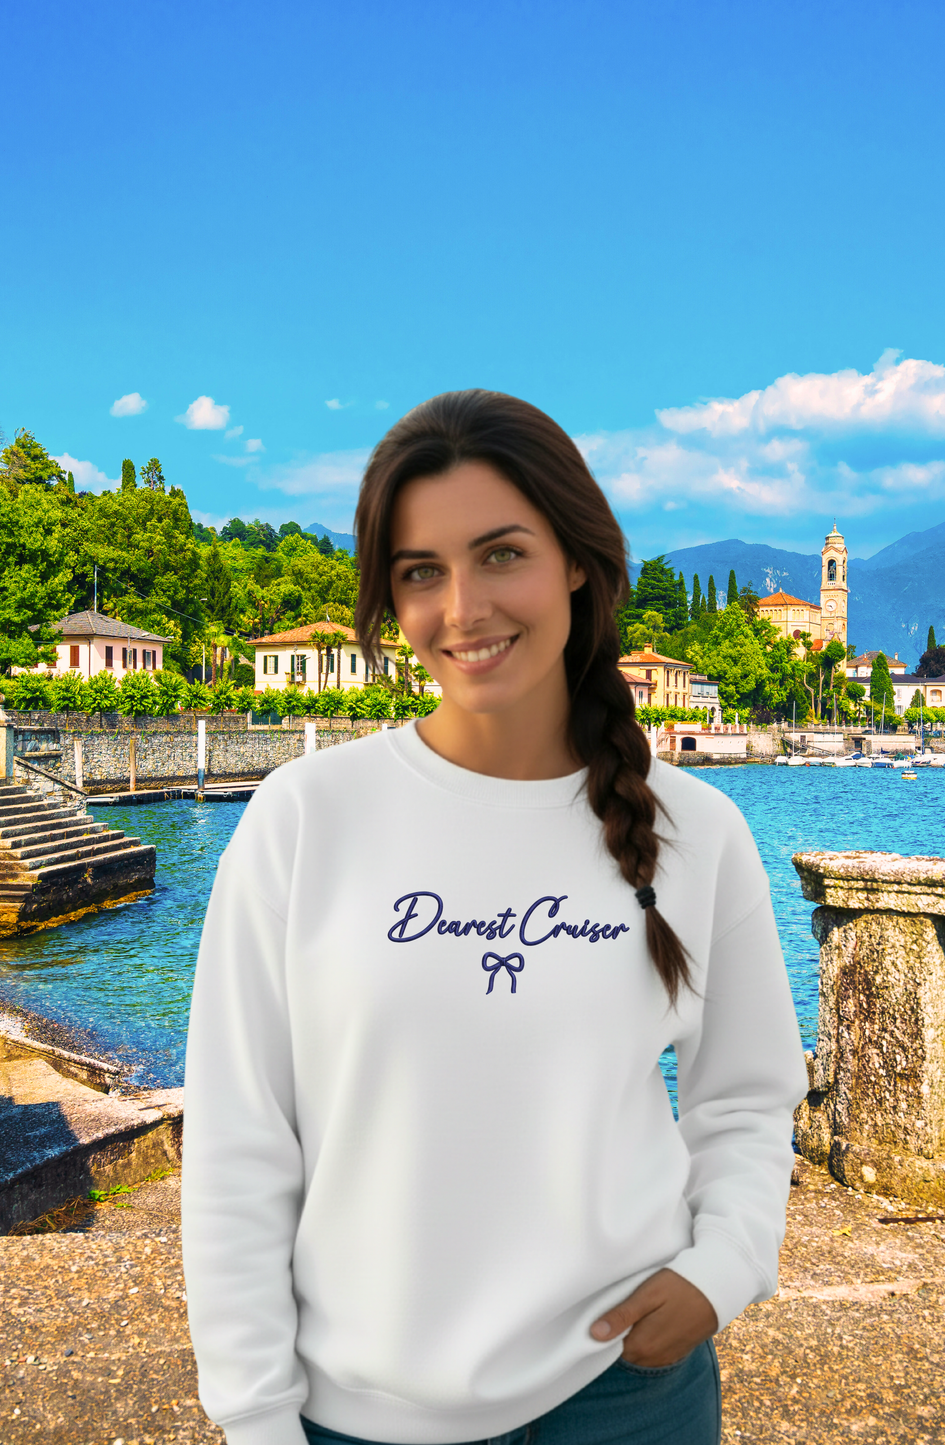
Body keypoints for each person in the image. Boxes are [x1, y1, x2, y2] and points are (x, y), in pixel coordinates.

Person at [182, 390, 808, 1445]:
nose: (461, 607)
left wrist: (720, 1268)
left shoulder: (699, 831)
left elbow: (744, 1096)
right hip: (356, 1417)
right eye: (419, 571)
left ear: (575, 559)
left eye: (500, 554)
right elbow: (242, 1142)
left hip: (627, 1397)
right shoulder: (306, 817)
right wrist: (252, 1415)